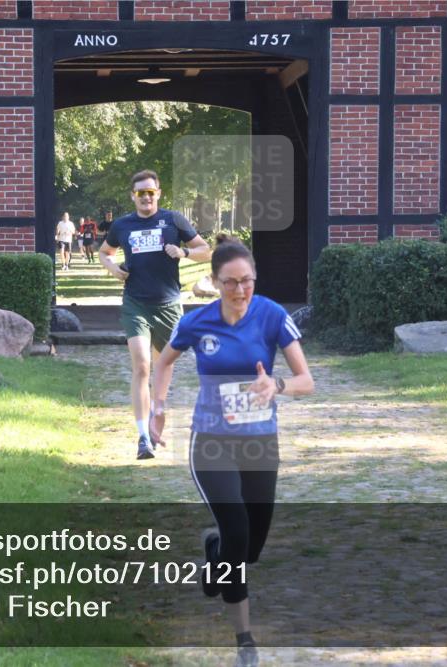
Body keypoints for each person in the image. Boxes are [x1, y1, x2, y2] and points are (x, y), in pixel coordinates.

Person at [150, 234, 314, 667]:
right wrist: (159, 408)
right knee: (238, 531)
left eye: (247, 281)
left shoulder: (272, 315)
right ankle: (244, 639)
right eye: (230, 283)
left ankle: (214, 552)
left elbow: (306, 381)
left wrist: (276, 385)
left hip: (259, 443)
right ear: (213, 281)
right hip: (211, 442)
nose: (240, 291)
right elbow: (164, 362)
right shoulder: (197, 322)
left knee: (250, 547)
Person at [98, 170, 211, 460]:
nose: (146, 197)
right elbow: (105, 252)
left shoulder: (173, 221)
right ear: (132, 196)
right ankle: (143, 437)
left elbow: (205, 250)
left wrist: (183, 253)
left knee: (161, 370)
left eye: (150, 192)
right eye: (140, 193)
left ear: (158, 194)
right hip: (136, 303)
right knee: (142, 366)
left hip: (169, 305)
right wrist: (113, 270)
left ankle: (155, 419)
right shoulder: (123, 225)